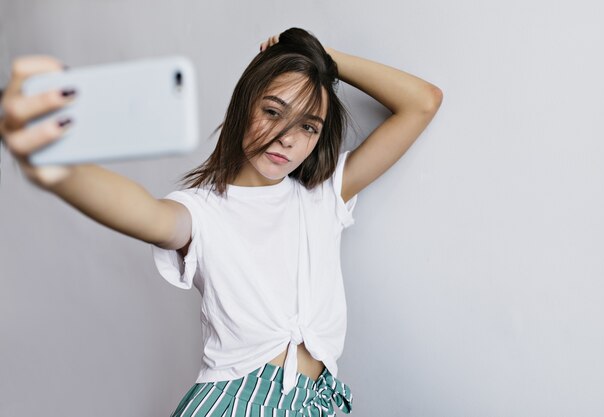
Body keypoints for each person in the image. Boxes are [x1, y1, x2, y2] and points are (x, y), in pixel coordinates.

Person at [0, 28, 442, 417]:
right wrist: (55, 168)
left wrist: (322, 59)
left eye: (308, 126)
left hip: (310, 403)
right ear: (243, 106)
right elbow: (146, 214)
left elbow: (422, 102)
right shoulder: (203, 212)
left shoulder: (323, 196)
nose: (287, 137)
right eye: (273, 112)